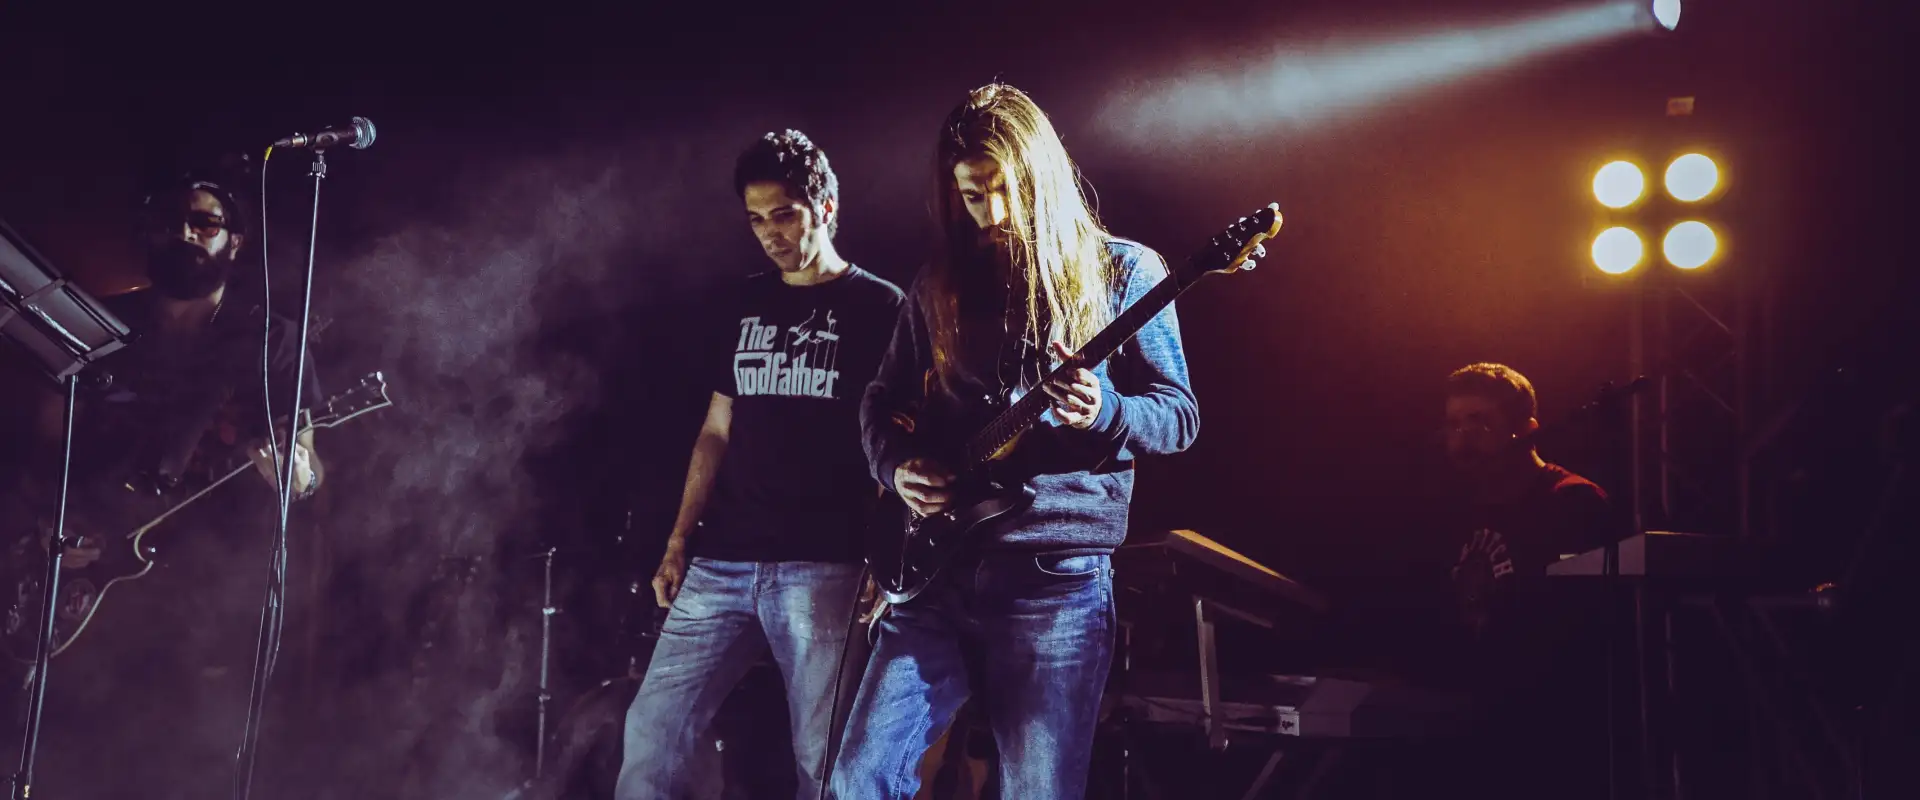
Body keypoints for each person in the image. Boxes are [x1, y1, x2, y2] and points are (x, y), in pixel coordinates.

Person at [836, 83, 1199, 799]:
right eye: (972, 195)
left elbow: (1178, 416)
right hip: (937, 573)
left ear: (1042, 177)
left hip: (1054, 582)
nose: (992, 213)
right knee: (857, 777)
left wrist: (1104, 411)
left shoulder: (1125, 272)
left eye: (1005, 190)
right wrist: (897, 466)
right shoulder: (940, 283)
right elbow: (882, 398)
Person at [0, 171, 325, 796]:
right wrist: (49, 522)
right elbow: (43, 444)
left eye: (204, 223)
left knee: (166, 765)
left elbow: (307, 462)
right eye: (171, 223)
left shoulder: (273, 342)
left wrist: (294, 474)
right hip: (76, 585)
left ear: (235, 242)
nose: (186, 234)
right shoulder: (98, 325)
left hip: (198, 601)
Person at [615, 130, 904, 800]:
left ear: (825, 207)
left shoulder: (881, 307)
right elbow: (716, 431)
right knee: (652, 732)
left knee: (823, 762)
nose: (770, 233)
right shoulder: (743, 302)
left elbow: (897, 447)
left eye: (783, 215)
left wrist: (888, 552)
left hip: (825, 564)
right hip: (722, 562)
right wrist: (679, 539)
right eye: (755, 220)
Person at [1439, 362, 1616, 799]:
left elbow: (1579, 638)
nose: (1464, 436)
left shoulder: (1571, 501)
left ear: (1528, 429)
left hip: (1550, 743)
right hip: (1470, 733)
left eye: (1479, 421)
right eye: (1455, 424)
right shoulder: (1457, 512)